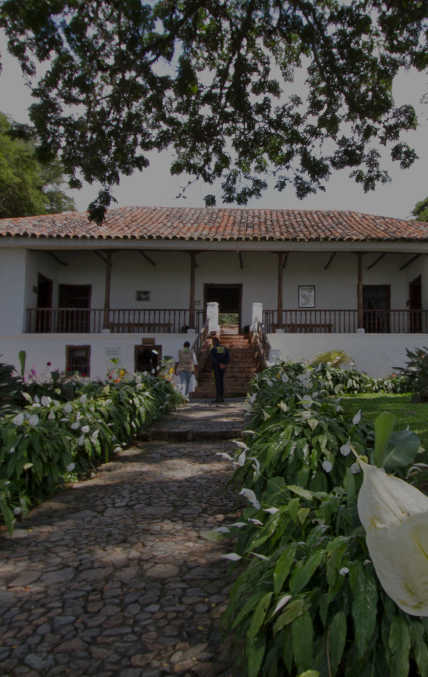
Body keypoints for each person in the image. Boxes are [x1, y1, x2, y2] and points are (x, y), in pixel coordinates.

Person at [210, 336, 230, 403]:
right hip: (223, 367)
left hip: (216, 367)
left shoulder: (213, 349)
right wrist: (224, 364)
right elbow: (228, 358)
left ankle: (218, 397)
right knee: (221, 381)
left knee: (217, 382)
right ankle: (221, 396)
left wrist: (219, 364)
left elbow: (213, 358)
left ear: (214, 342)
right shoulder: (224, 348)